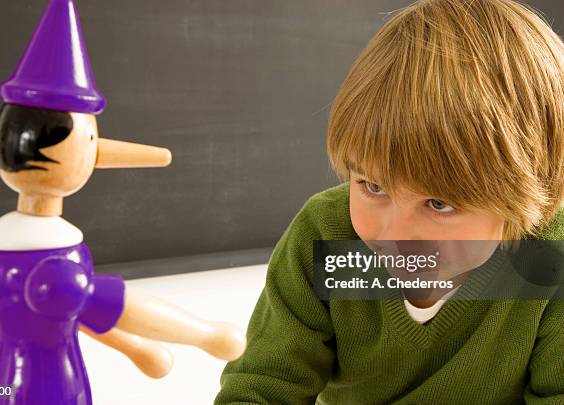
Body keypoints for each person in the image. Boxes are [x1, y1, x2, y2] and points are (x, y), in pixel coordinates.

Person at [214, 0, 564, 403]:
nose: (395, 237)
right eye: (373, 187)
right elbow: (259, 389)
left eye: (439, 204)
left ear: (530, 192)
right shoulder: (326, 239)